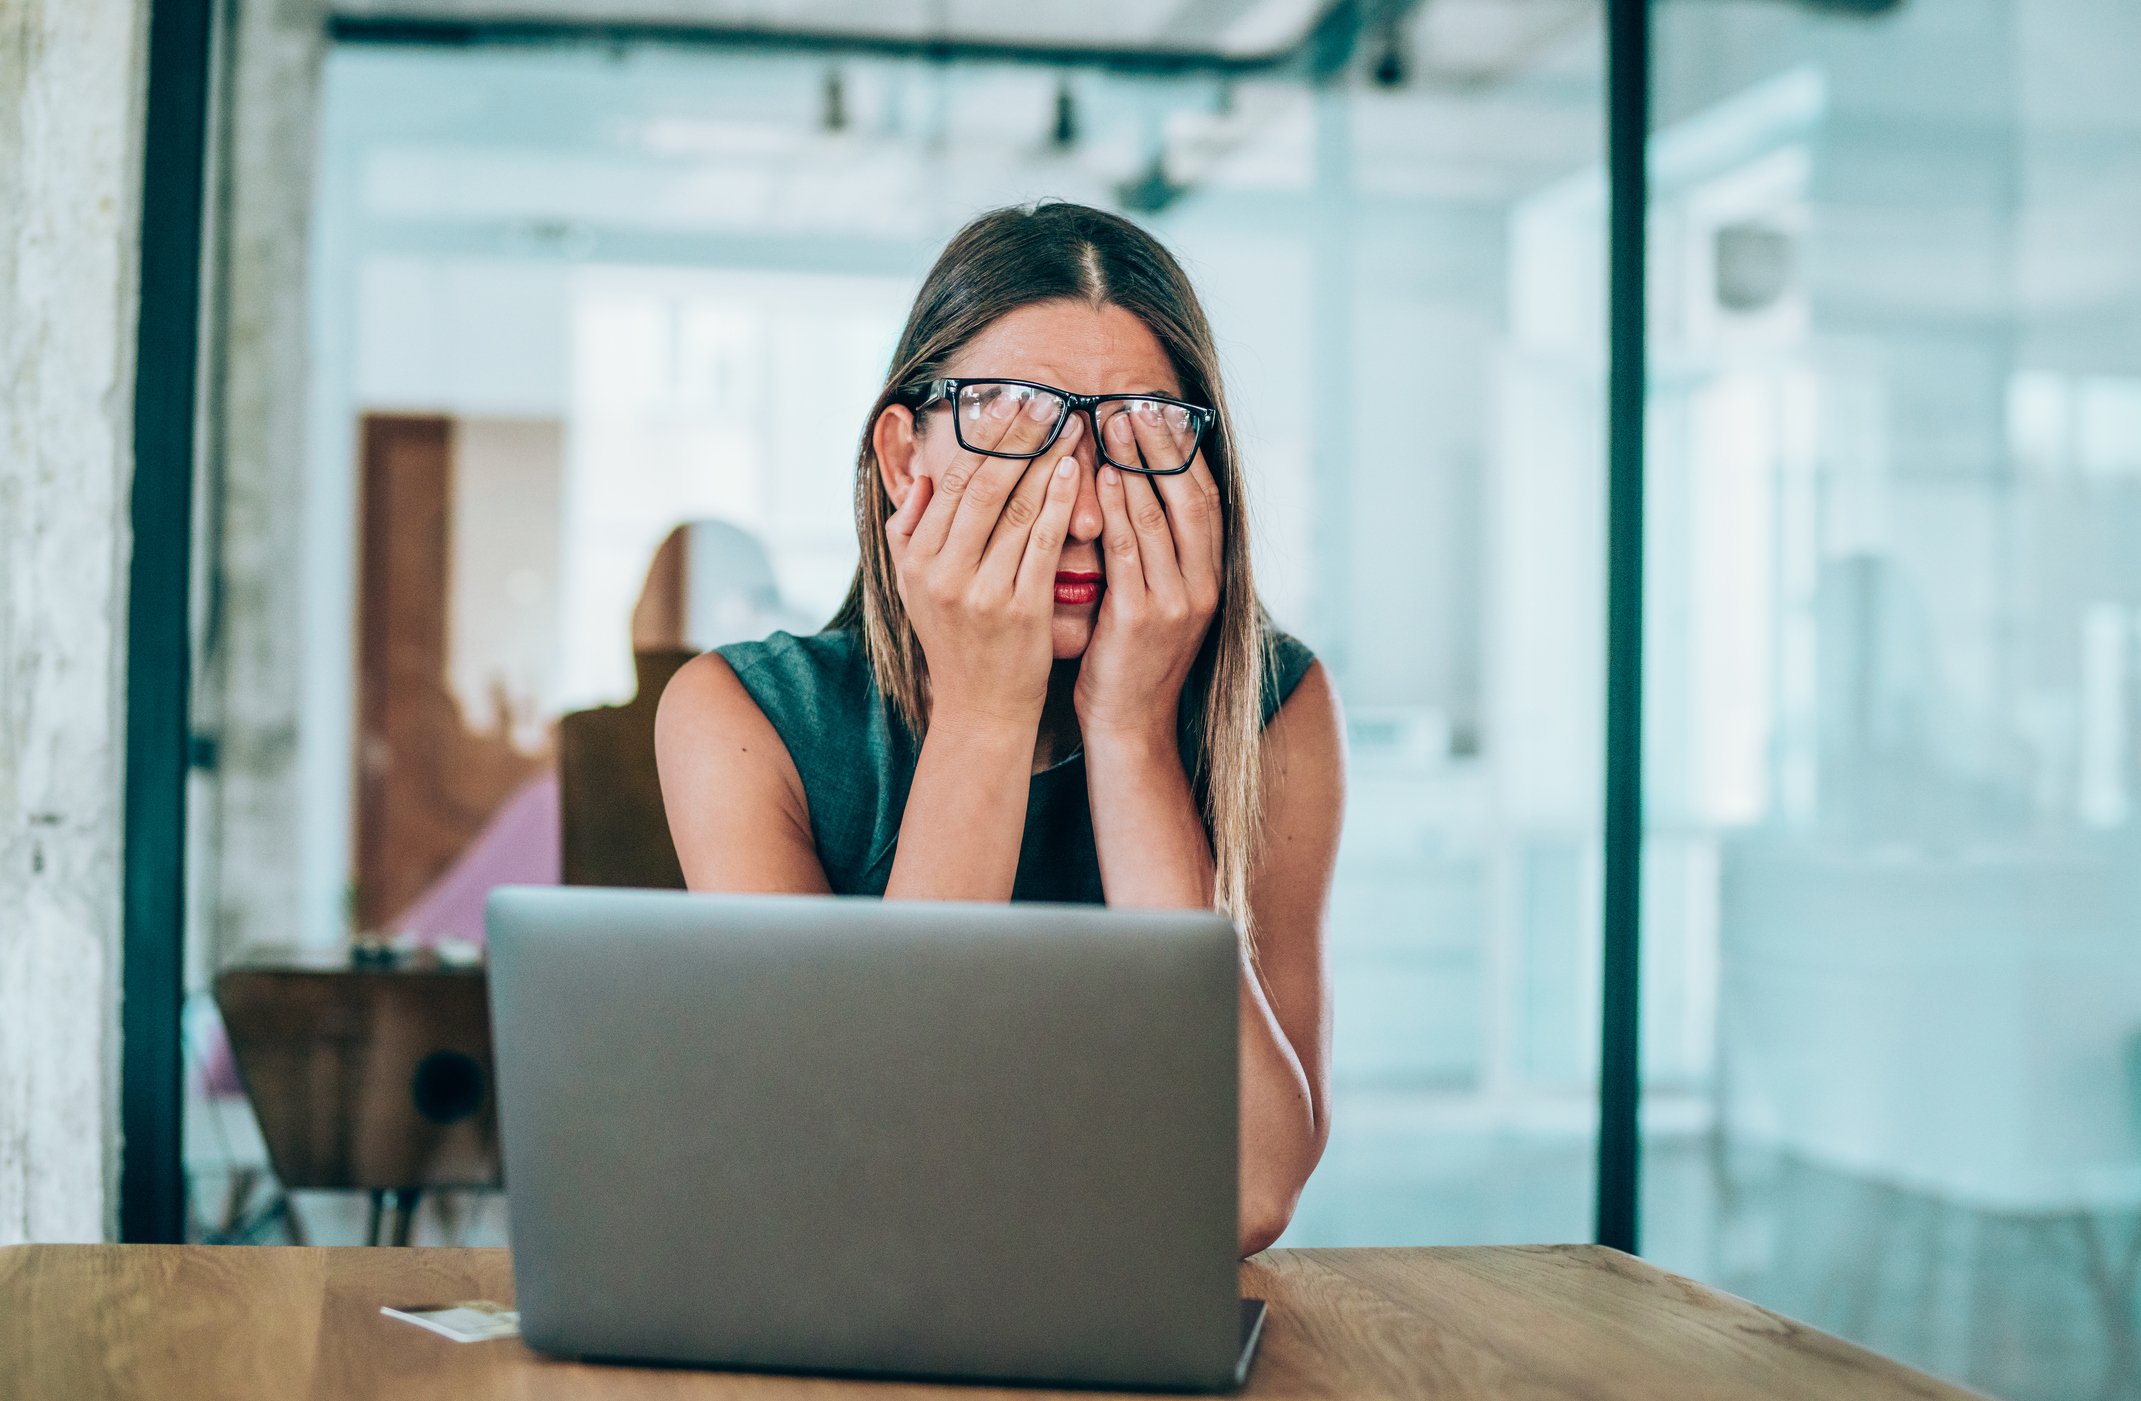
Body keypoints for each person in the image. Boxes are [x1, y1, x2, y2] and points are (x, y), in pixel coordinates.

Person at [655, 200, 1345, 1256]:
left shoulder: (1277, 710)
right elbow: (856, 1170)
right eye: (1013, 422)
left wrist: (1129, 734)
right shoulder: (742, 719)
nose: (1077, 510)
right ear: (901, 458)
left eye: (1139, 436)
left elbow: (1246, 1193)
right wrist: (983, 710)